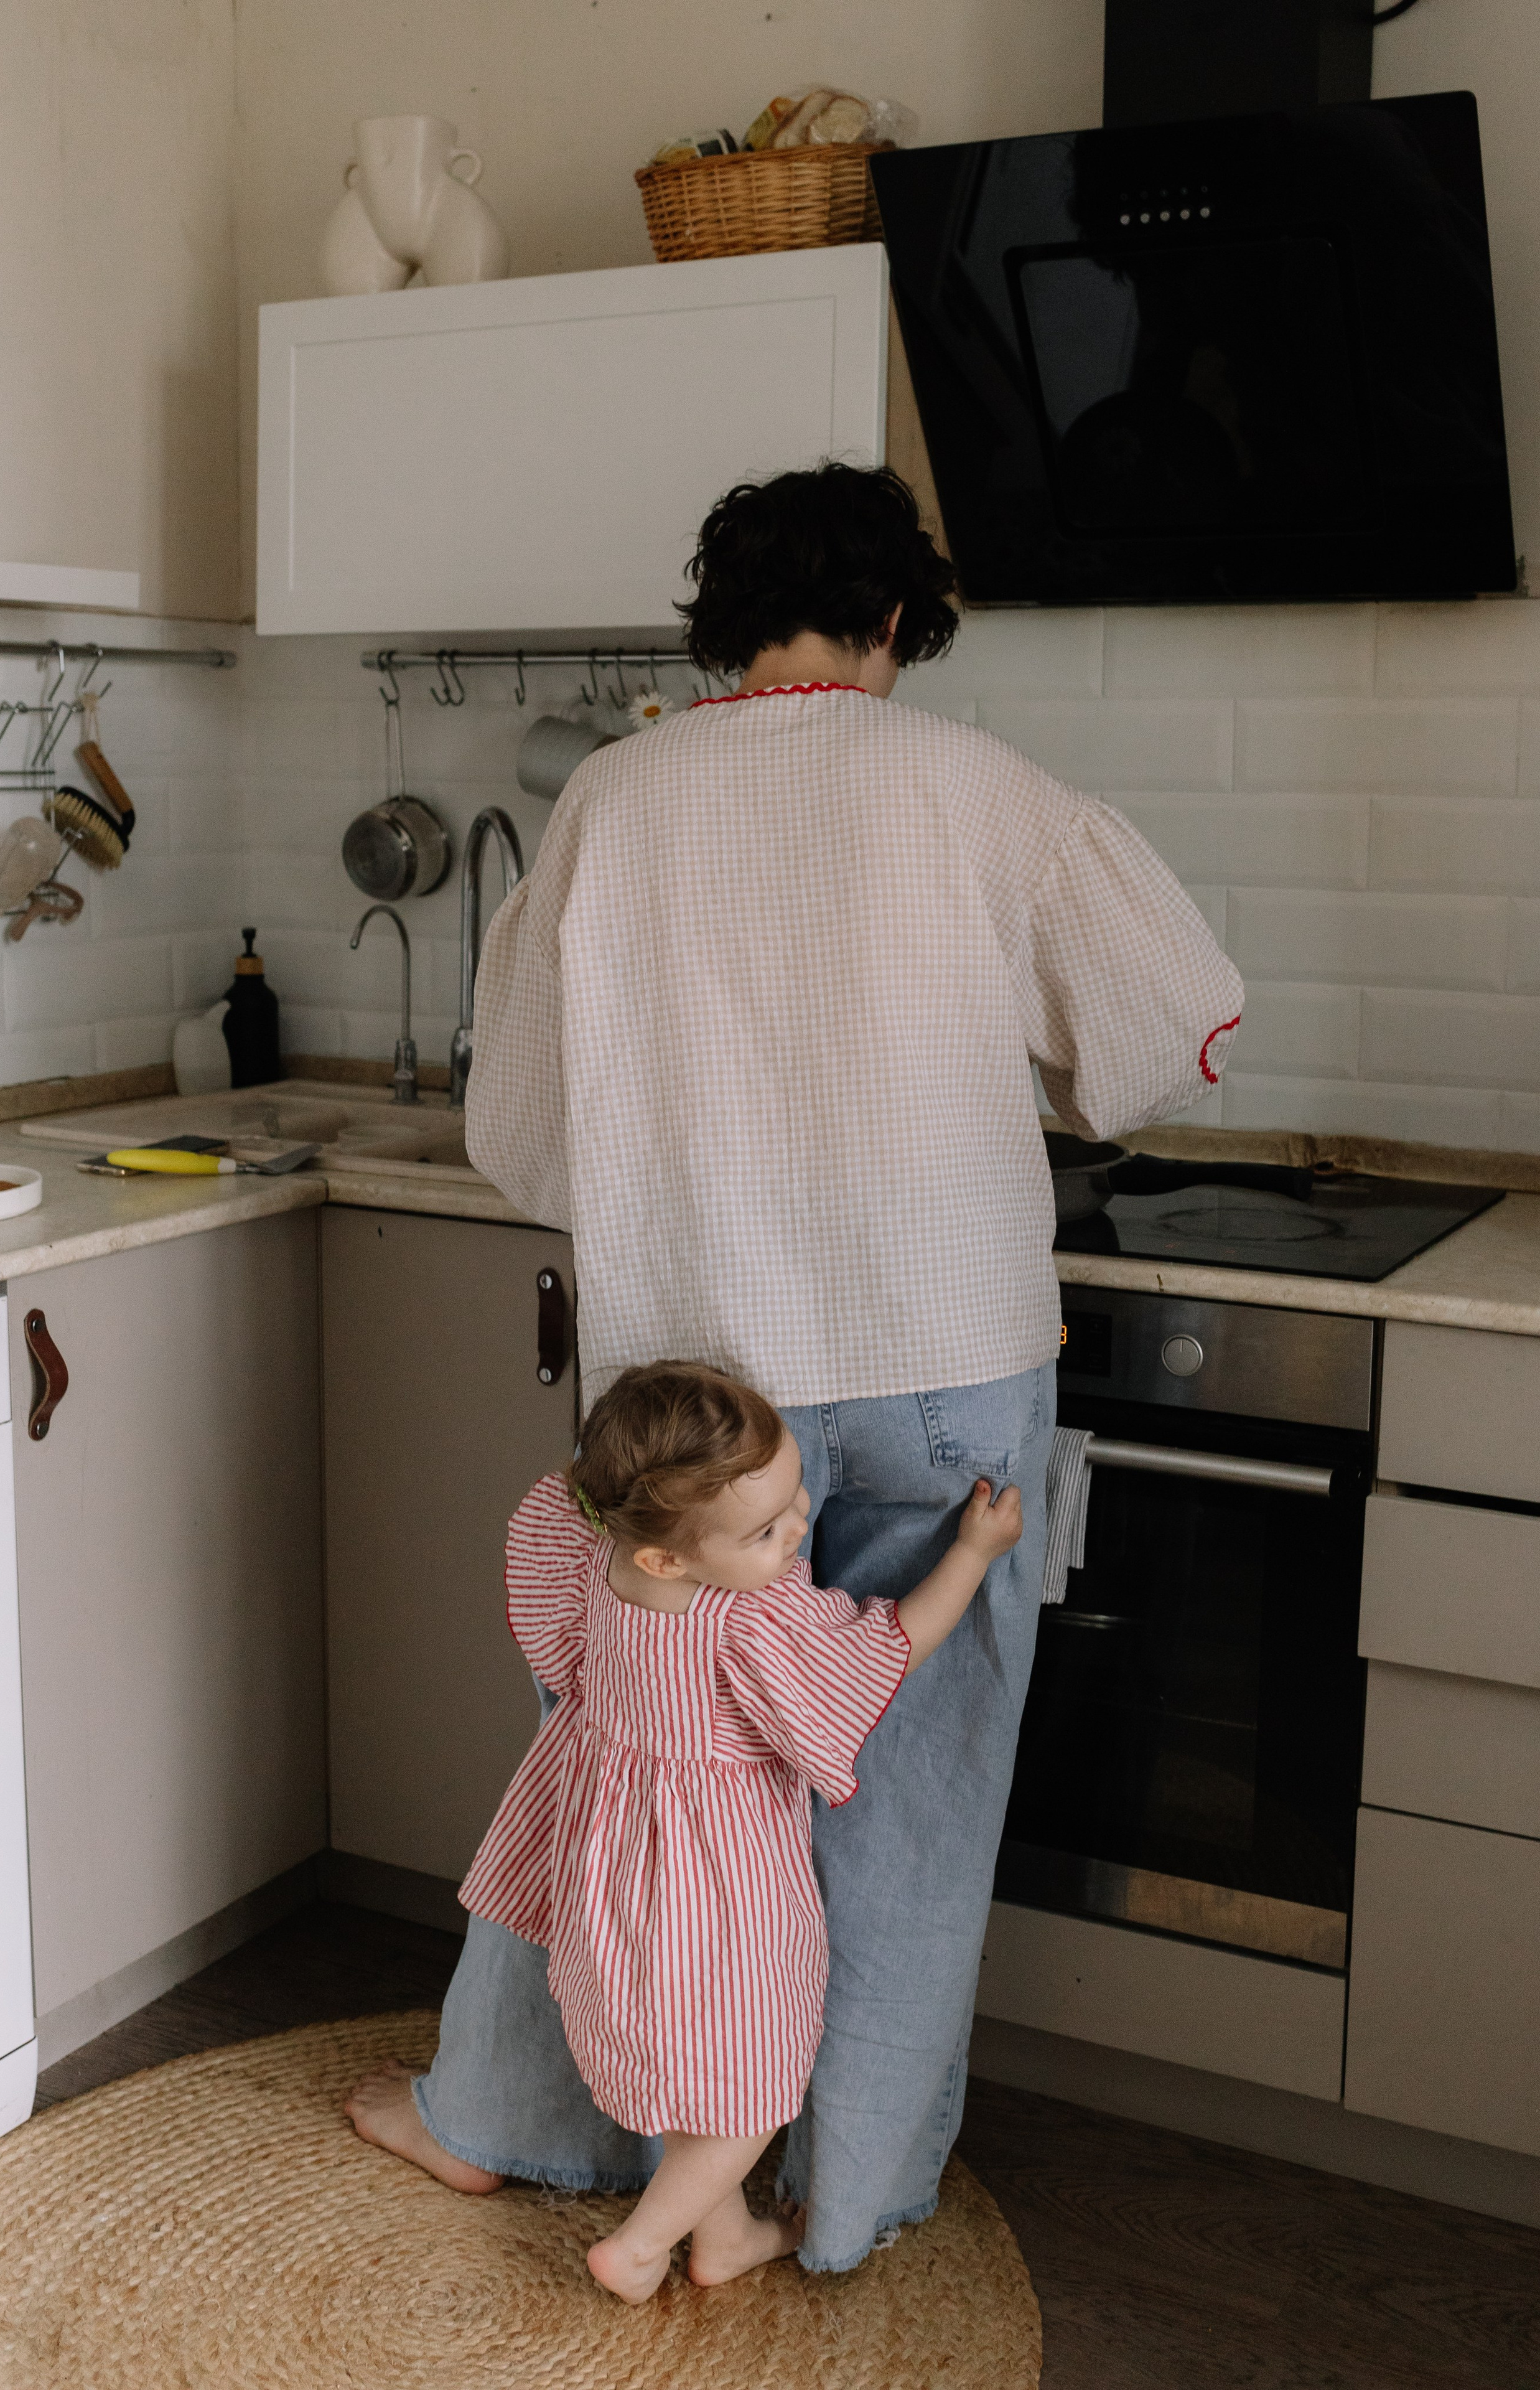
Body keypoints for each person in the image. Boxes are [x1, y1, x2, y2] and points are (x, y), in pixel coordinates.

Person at [346, 461, 1244, 2273]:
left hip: (695, 1393)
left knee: (624, 1768)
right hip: (945, 1358)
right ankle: (846, 2200)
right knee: (908, 1790)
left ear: (722, 623)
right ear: (901, 619)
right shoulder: (977, 786)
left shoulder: (613, 797)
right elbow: (1164, 1030)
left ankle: (512, 2123)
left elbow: (517, 1131)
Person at [457, 1360, 1024, 2303]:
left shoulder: (598, 1564)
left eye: (797, 1493)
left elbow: (563, 1529)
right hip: (723, 1896)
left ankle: (720, 2237)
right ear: (666, 1555)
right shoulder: (747, 1625)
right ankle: (640, 2246)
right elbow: (891, 1647)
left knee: (696, 2068)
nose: (802, 1526)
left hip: (617, 1883)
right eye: (768, 1530)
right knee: (756, 2084)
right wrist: (970, 1552)